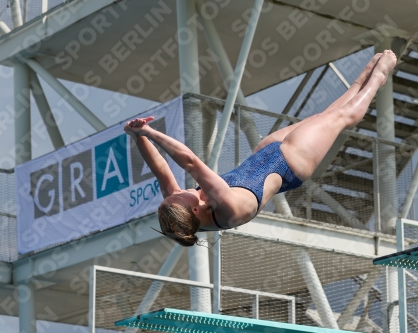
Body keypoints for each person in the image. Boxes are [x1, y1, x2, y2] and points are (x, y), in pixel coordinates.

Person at [124, 50, 397, 246]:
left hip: (266, 152)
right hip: (292, 163)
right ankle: (377, 80)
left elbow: (161, 171)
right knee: (340, 117)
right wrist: (150, 131)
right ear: (195, 212)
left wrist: (138, 137)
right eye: (180, 196)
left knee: (325, 115)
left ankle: (361, 82)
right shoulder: (226, 209)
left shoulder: (184, 209)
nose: (178, 191)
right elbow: (191, 162)